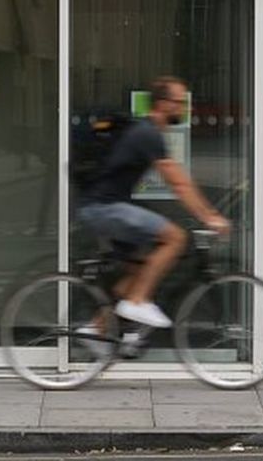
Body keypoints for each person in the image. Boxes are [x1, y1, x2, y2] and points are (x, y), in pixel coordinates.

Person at [77, 75, 230, 329]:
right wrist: (210, 217)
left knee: (138, 271)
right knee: (175, 238)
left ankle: (96, 329)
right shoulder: (147, 133)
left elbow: (182, 182)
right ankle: (137, 302)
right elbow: (180, 184)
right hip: (104, 208)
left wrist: (207, 212)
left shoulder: (146, 131)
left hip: (103, 206)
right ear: (162, 103)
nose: (184, 108)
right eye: (179, 102)